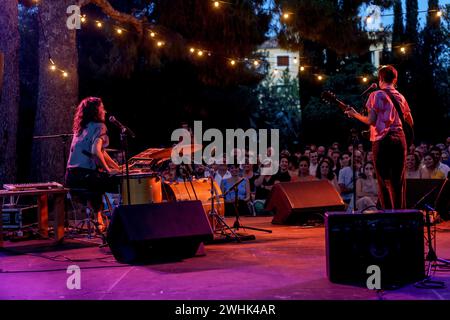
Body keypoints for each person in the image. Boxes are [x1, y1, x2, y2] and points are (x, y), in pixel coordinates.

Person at [345, 65, 413, 209]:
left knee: (383, 181)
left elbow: (371, 121)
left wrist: (354, 114)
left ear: (380, 78)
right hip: (400, 140)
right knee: (397, 181)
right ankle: (400, 218)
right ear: (395, 79)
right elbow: (410, 121)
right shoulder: (401, 96)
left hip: (383, 141)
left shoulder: (376, 95)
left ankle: (388, 217)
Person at [65, 97, 120, 230]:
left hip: (71, 177)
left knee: (100, 179)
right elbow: (95, 151)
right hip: (85, 177)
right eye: (102, 108)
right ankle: (120, 221)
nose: (105, 111)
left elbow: (101, 151)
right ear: (96, 111)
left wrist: (116, 167)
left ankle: (99, 219)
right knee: (123, 183)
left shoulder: (80, 128)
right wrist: (108, 170)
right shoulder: (100, 127)